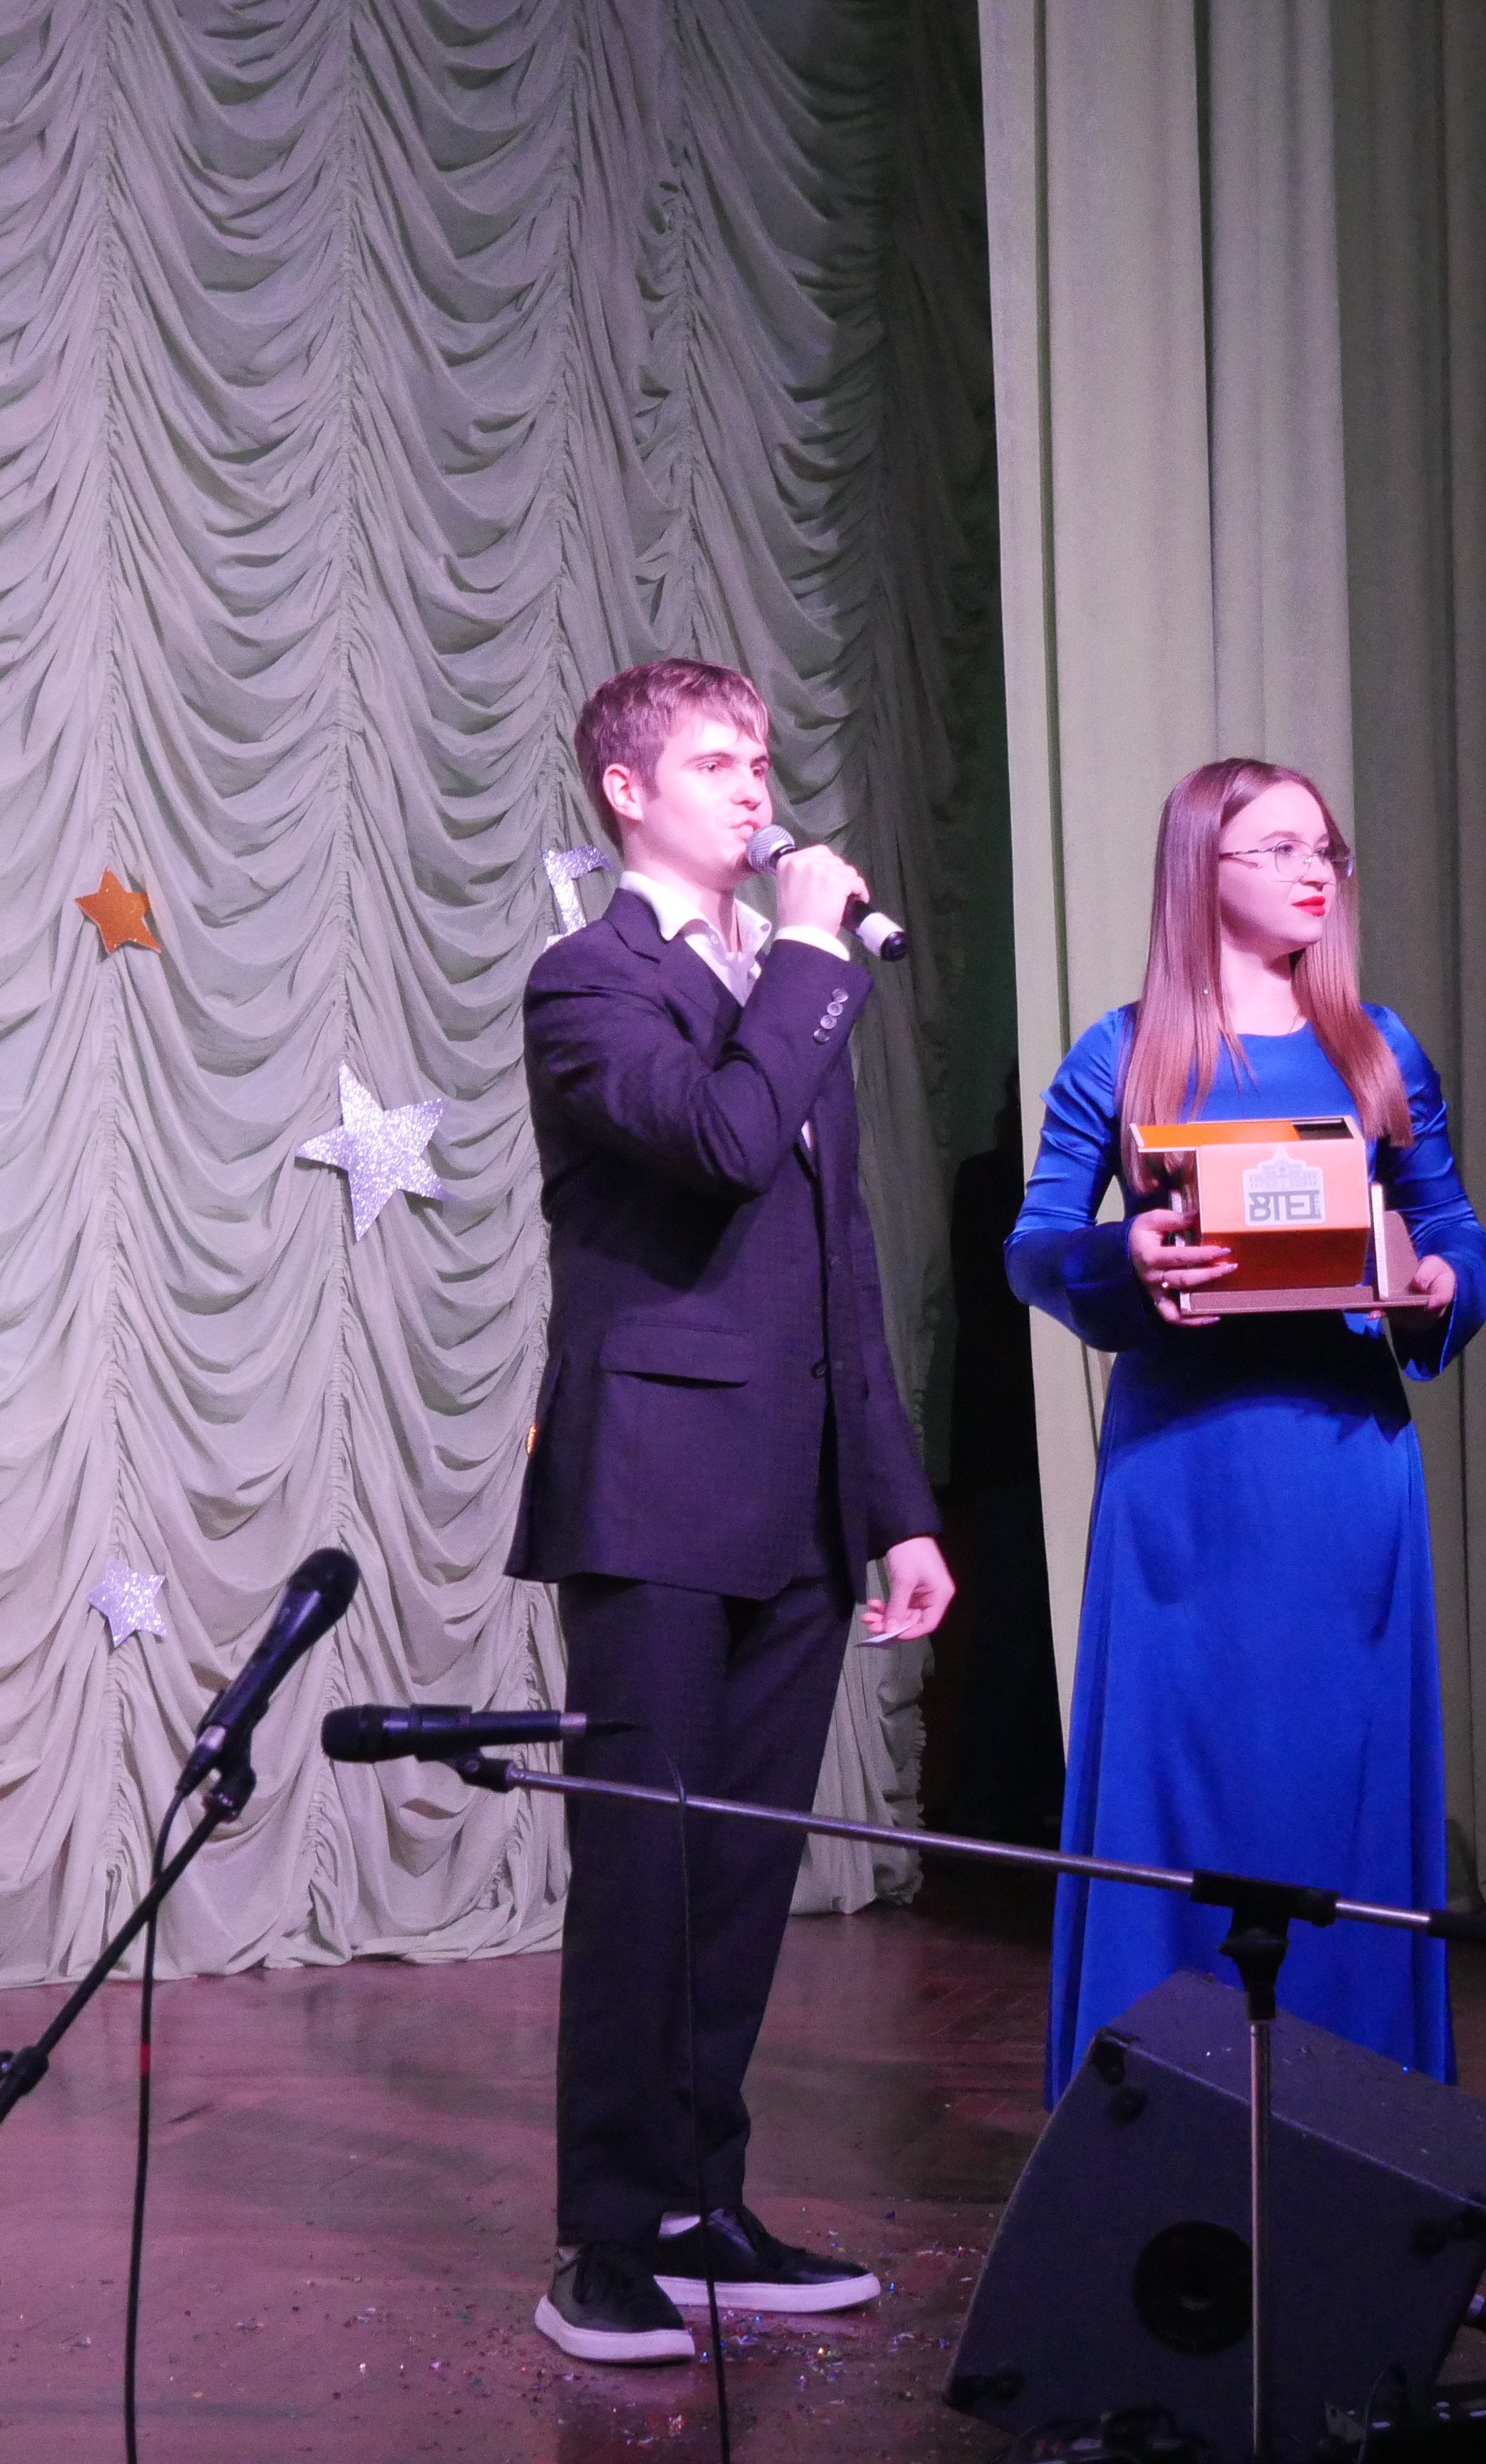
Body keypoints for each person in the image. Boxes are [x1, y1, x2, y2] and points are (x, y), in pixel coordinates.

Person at [512, 658, 953, 2366]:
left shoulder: (788, 984)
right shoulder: (590, 982)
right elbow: (716, 1138)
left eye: (762, 758)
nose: (757, 788)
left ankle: (701, 2210)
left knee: (746, 1875)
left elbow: (842, 1268)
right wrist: (812, 957)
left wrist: (898, 1509)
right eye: (717, 761)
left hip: (797, 1497)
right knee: (648, 1868)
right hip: (652, 1491)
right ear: (628, 791)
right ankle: (605, 2242)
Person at [1010, 757, 1486, 2095]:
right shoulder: (1124, 1051)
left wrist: (1441, 1282)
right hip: (1187, 1478)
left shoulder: (1377, 1046)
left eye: (1324, 848)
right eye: (1277, 850)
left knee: (1340, 1794)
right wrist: (1124, 1256)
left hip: (1340, 1471)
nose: (1313, 871)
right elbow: (1036, 1246)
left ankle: (1352, 2115)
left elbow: (1451, 1225)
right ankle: (1156, 2116)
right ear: (1200, 870)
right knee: (1177, 1802)